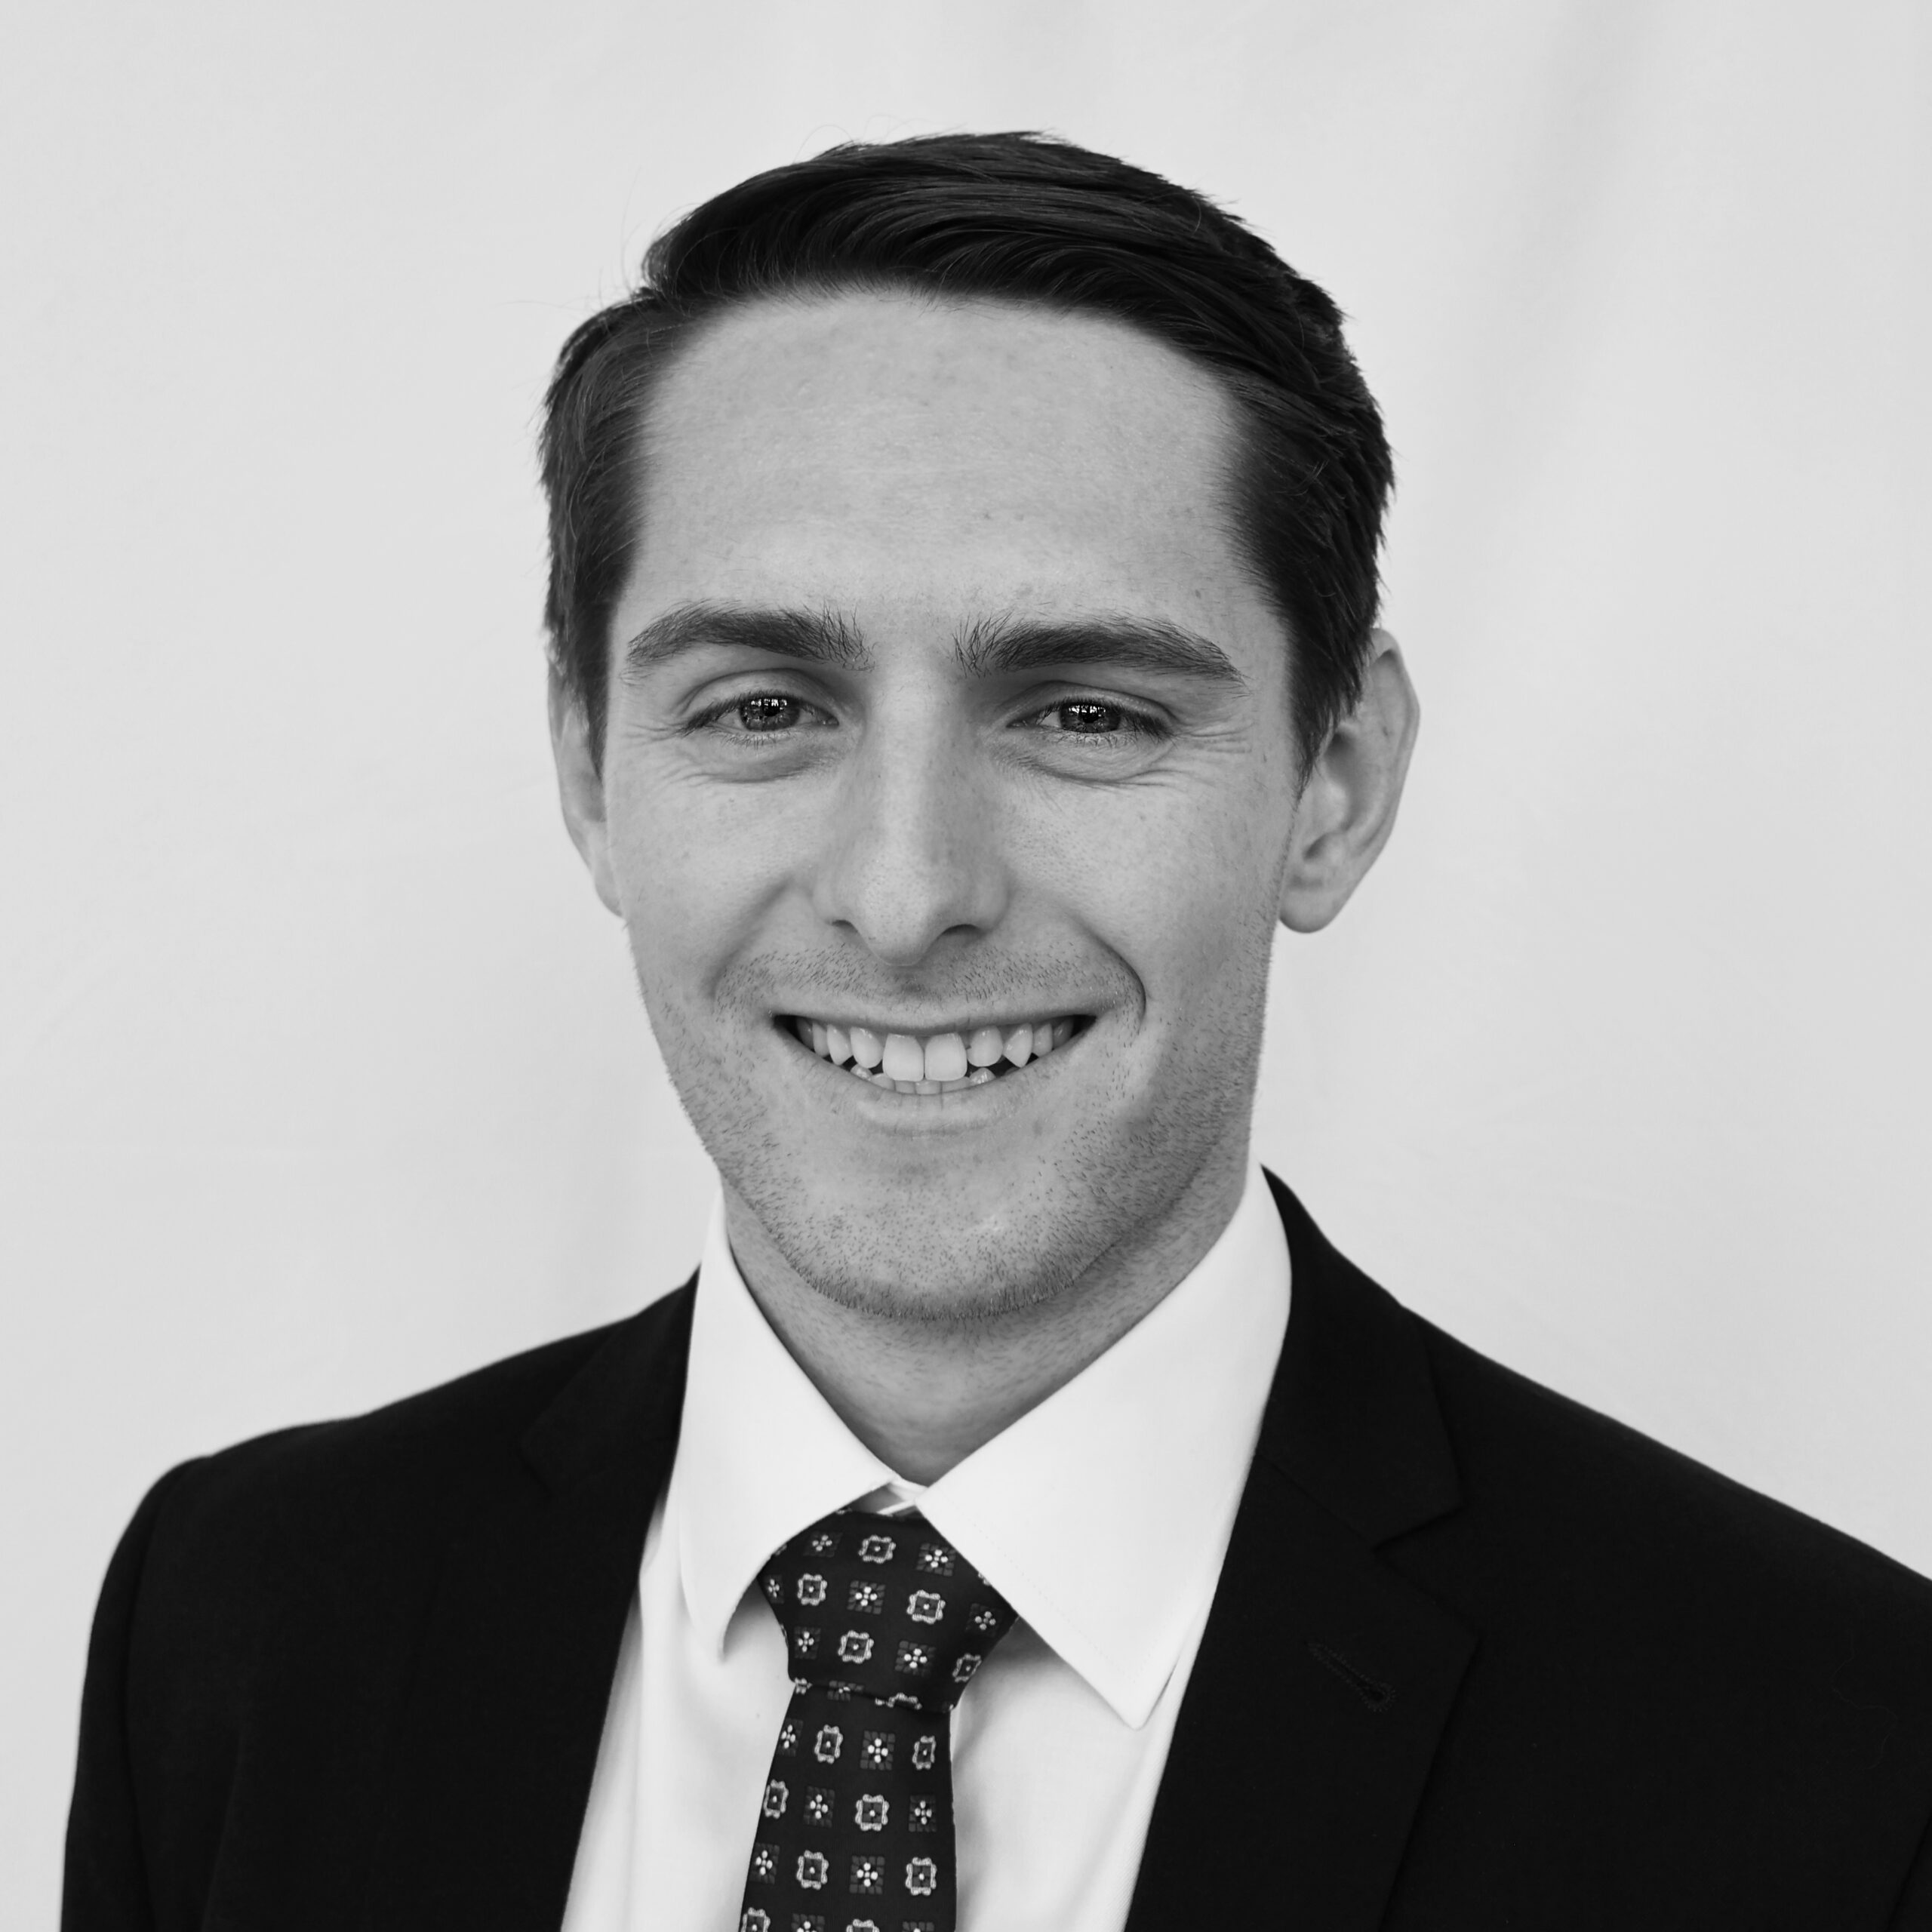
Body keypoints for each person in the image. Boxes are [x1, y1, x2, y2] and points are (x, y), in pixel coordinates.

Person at [63, 132, 1932, 1932]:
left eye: (1086, 712)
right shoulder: (236, 1619)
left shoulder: (1838, 1752)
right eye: (762, 706)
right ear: (587, 771)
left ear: (1337, 784)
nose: (904, 892)